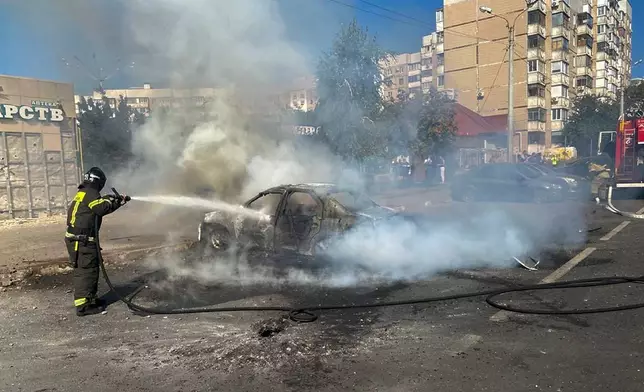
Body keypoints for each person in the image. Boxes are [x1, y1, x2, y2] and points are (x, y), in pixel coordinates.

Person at [64, 167, 129, 317]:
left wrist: (114, 200)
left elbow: (99, 205)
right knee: (86, 271)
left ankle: (90, 299)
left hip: (81, 240)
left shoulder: (84, 192)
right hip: (82, 241)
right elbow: (101, 208)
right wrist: (116, 201)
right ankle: (83, 307)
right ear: (98, 182)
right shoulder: (91, 193)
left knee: (91, 270)